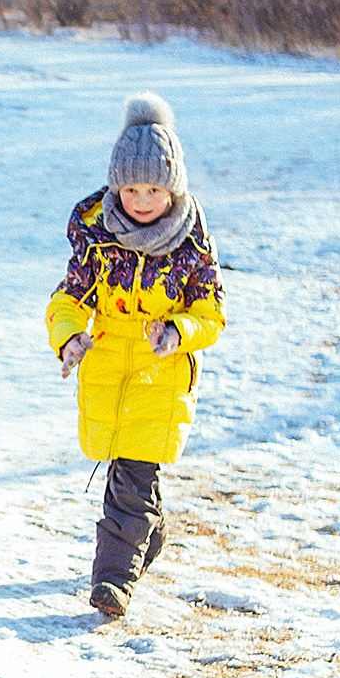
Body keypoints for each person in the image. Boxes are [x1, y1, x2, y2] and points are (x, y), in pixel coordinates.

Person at [47, 94, 225, 618]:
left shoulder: (191, 245)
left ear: (173, 189)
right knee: (129, 477)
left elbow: (211, 313)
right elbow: (69, 299)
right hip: (107, 369)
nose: (141, 200)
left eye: (153, 189)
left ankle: (111, 580)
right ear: (115, 187)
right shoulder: (98, 238)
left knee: (131, 480)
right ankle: (151, 531)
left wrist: (178, 330)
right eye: (130, 189)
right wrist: (70, 337)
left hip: (160, 377)